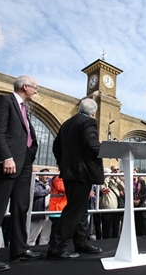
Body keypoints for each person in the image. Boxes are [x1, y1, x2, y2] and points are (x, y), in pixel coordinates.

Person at [0, 75, 41, 273]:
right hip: (8, 164)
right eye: (35, 88)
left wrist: (28, 158)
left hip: (24, 166)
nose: (36, 91)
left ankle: (19, 249)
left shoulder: (24, 109)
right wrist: (6, 157)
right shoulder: (4, 101)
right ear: (25, 87)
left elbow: (24, 135)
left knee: (21, 207)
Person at [48, 98, 104, 260]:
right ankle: (57, 247)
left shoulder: (67, 123)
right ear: (93, 112)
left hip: (70, 173)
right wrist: (111, 150)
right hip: (82, 174)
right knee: (74, 210)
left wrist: (63, 163)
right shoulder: (88, 122)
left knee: (81, 209)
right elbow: (92, 144)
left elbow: (56, 146)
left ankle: (82, 242)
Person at [27, 168, 52, 246]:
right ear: (40, 176)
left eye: (49, 175)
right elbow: (34, 192)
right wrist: (48, 191)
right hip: (38, 212)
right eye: (45, 175)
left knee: (45, 236)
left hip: (48, 213)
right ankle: (29, 248)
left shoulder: (49, 185)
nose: (47, 177)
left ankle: (42, 248)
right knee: (32, 235)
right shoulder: (35, 183)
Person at [99, 167, 124, 239]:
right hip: (107, 208)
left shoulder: (114, 182)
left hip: (116, 208)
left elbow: (122, 187)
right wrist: (107, 178)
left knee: (115, 229)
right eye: (113, 171)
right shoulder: (103, 181)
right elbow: (103, 188)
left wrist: (117, 180)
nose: (115, 172)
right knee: (107, 230)